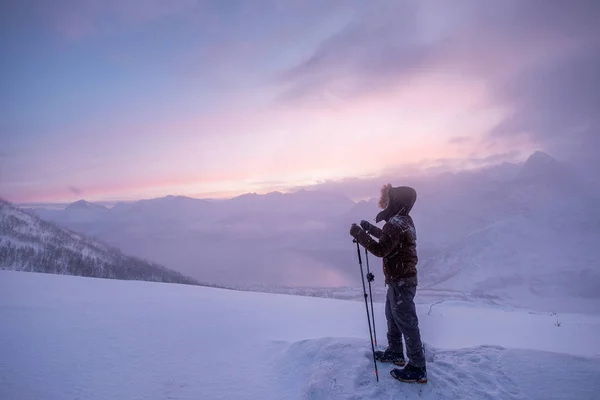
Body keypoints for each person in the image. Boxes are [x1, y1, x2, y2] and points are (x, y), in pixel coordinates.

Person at [349, 184, 427, 384]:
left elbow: (381, 249)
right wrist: (370, 229)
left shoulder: (395, 224)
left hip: (401, 281)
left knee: (406, 322)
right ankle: (395, 352)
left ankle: (417, 366)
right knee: (393, 316)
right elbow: (391, 240)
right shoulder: (405, 221)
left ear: (397, 202)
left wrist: (359, 234)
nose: (388, 203)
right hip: (400, 279)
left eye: (391, 200)